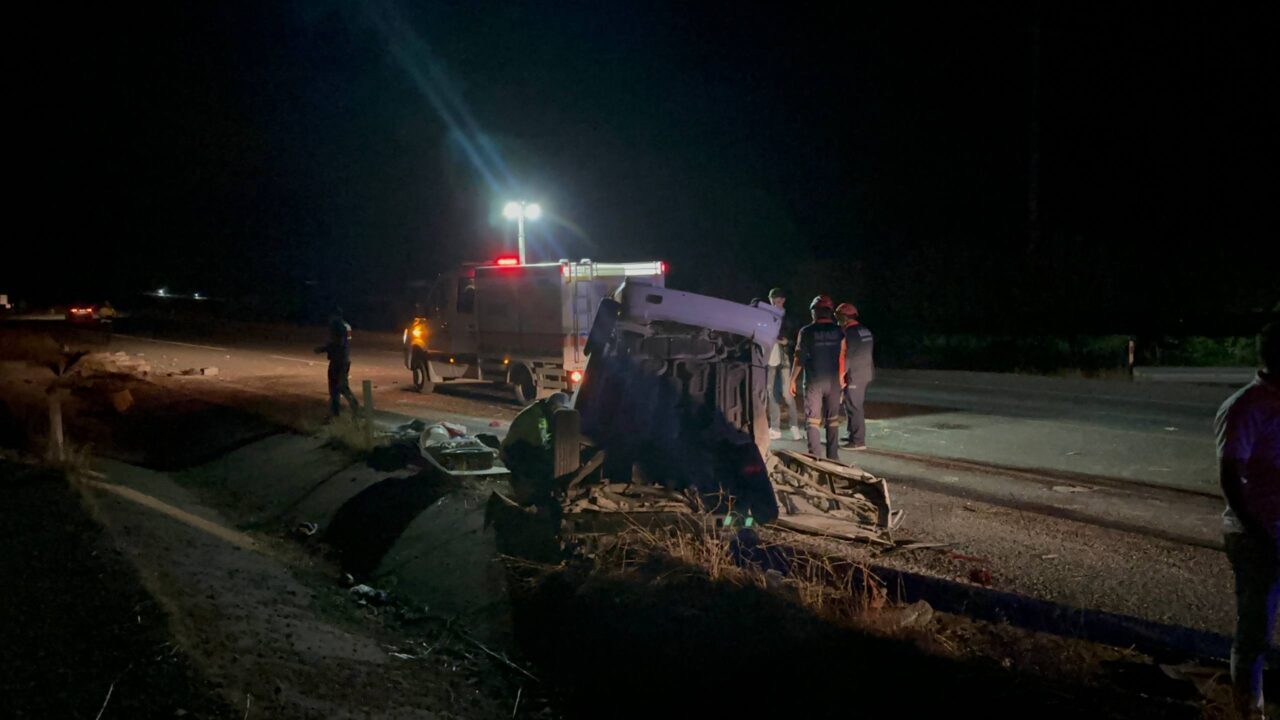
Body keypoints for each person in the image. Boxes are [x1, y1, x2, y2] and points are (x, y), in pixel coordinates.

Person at [1218, 322, 1280, 718]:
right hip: (1256, 538)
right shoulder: (1247, 406)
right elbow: (1231, 478)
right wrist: (1261, 536)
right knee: (1255, 633)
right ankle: (1248, 711)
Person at [790, 295, 844, 459]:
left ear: (814, 312)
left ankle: (815, 459)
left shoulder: (806, 331)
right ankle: (833, 459)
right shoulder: (838, 331)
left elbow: (799, 358)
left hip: (814, 382)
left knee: (813, 421)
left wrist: (792, 379)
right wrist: (842, 379)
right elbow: (844, 355)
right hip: (834, 382)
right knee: (832, 420)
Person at [501, 392, 571, 504]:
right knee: (545, 466)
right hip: (513, 450)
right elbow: (542, 445)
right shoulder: (539, 417)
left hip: (519, 446)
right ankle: (531, 491)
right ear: (552, 407)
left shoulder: (541, 410)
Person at [765, 288, 803, 441]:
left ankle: (794, 427)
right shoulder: (766, 316)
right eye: (774, 299)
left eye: (780, 299)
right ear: (770, 300)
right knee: (771, 393)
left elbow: (798, 341)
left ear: (784, 300)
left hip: (785, 359)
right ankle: (775, 428)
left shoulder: (790, 319)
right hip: (769, 359)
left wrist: (787, 342)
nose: (777, 302)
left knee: (786, 394)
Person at [836, 302, 874, 450]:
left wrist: (840, 376)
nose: (838, 320)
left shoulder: (848, 333)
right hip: (865, 372)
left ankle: (858, 441)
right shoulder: (865, 330)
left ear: (844, 317)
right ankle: (852, 433)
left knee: (854, 406)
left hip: (855, 374)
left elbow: (846, 357)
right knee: (851, 404)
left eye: (838, 317)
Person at [314, 306, 359, 419]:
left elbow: (338, 344)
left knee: (335, 387)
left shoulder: (337, 326)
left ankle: (337, 412)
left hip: (338, 360)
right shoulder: (346, 325)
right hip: (344, 359)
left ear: (334, 316)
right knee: (341, 386)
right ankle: (346, 408)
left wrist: (323, 349)